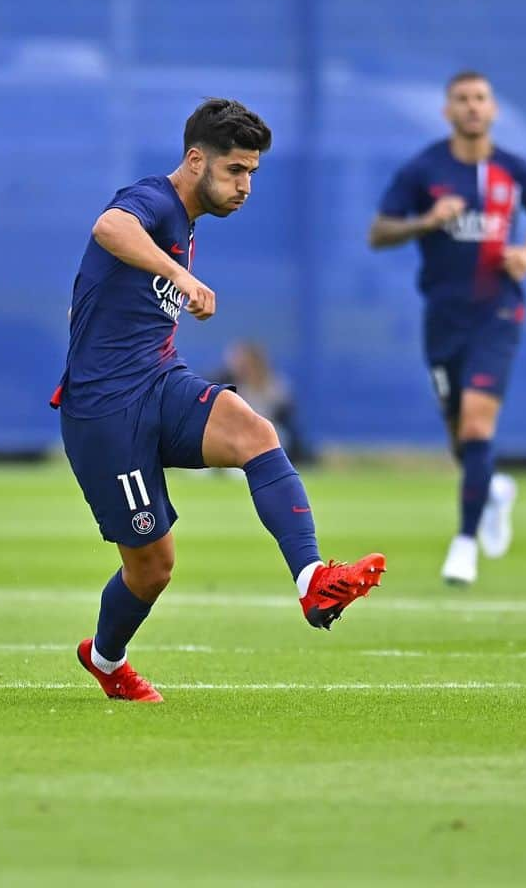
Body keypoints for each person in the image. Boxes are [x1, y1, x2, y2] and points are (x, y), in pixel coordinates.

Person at [53, 99, 385, 702]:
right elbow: (109, 228)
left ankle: (313, 580)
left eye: (253, 173)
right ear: (196, 159)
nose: (246, 185)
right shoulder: (154, 200)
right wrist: (179, 277)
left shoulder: (187, 222)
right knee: (153, 568)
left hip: (158, 383)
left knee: (256, 430)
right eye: (236, 170)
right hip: (106, 412)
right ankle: (105, 659)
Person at [368, 71, 526, 585]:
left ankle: (463, 545)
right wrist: (425, 222)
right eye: (462, 99)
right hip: (443, 315)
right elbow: (379, 231)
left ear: (493, 109)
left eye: (480, 99)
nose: (472, 107)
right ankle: (493, 489)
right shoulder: (424, 170)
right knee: (461, 437)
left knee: (478, 425)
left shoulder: (515, 171)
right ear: (447, 111)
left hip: (498, 310)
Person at [214, 340, 313, 465]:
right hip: (239, 431)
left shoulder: (275, 385)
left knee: (278, 436)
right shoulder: (231, 384)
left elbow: (284, 416)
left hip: (267, 430)